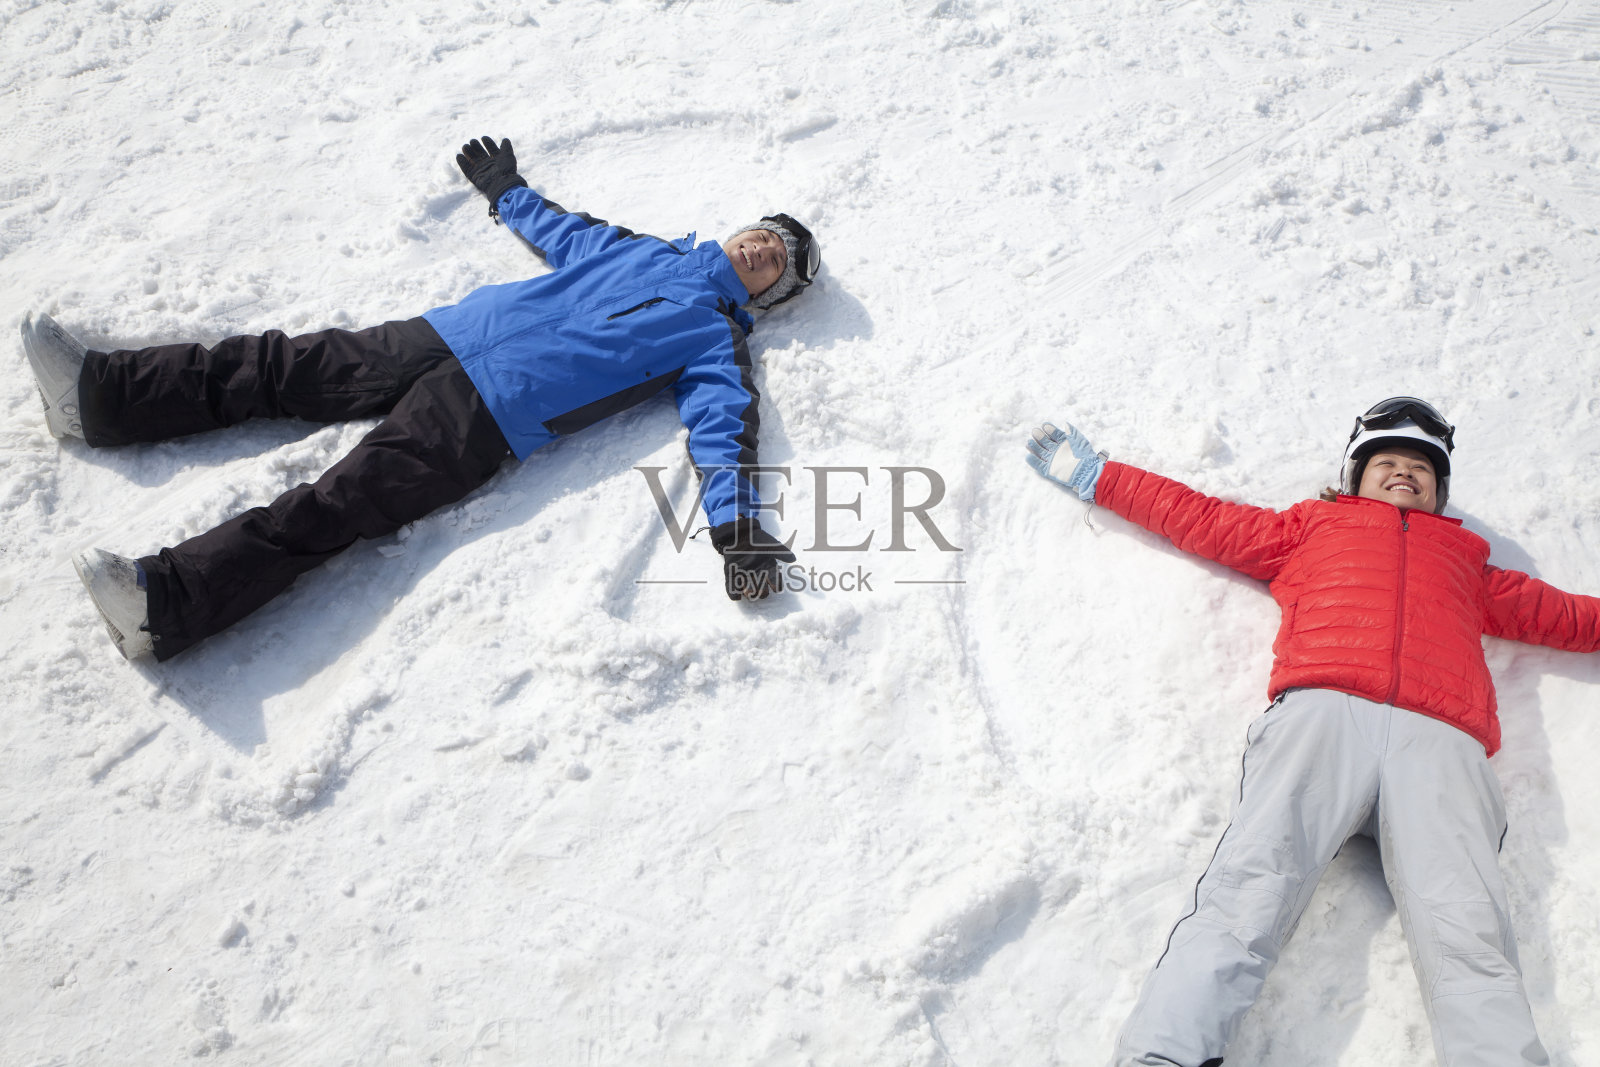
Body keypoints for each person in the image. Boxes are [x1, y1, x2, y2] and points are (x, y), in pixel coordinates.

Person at [22, 136, 818, 661]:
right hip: (445, 334)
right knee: (279, 365)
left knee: (329, 506)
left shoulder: (716, 340)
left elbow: (722, 438)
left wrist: (739, 533)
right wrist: (508, 190)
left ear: (767, 293)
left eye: (771, 262)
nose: (759, 249)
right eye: (764, 236)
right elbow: (568, 235)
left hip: (483, 419)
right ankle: (99, 397)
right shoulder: (644, 250)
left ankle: (163, 603)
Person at [1025, 397, 1600, 1067]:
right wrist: (1102, 477)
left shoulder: (1468, 566)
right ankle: (1164, 1054)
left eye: (1421, 468)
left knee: (1467, 929)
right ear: (1353, 475)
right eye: (1387, 462)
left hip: (1440, 746)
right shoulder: (1311, 528)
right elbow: (1203, 519)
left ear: (1441, 492)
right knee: (1250, 890)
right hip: (1322, 718)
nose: (1404, 474)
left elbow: (1565, 616)